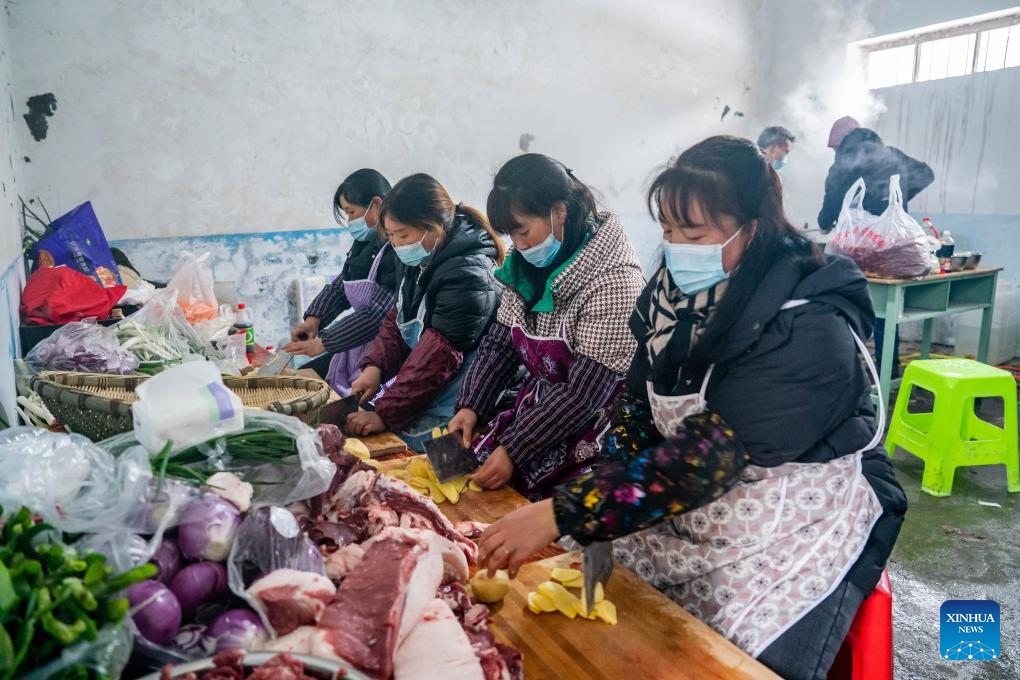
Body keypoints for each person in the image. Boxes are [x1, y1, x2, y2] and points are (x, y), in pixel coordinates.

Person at [476, 136, 907, 680]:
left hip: (794, 516)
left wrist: (566, 510)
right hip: (702, 498)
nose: (677, 246)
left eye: (695, 233)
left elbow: (706, 458)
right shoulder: (671, 298)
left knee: (723, 659)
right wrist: (606, 484)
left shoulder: (808, 323)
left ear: (752, 227)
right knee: (623, 621)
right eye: (669, 231)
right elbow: (637, 406)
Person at [446, 154, 645, 501]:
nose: (518, 245)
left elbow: (582, 396)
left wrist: (515, 448)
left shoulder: (616, 284)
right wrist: (470, 405)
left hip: (591, 430)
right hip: (539, 411)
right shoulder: (526, 268)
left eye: (523, 231)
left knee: (541, 526)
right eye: (510, 235)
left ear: (559, 212)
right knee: (457, 479)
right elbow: (499, 345)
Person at [345, 173, 505, 451]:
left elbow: (438, 355)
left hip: (469, 395)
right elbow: (399, 317)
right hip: (434, 384)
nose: (396, 244)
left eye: (402, 234)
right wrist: (375, 367)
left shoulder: (468, 273)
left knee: (433, 463)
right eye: (391, 236)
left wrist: (385, 414)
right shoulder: (418, 256)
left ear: (434, 228)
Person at [817, 116, 935, 375]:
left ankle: (847, 363)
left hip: (860, 249)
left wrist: (826, 223)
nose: (835, 152)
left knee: (848, 300)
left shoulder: (843, 164)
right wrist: (896, 201)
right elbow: (926, 174)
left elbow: (829, 208)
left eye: (835, 147)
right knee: (886, 308)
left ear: (840, 143)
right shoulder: (891, 154)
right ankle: (888, 368)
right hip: (893, 247)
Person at [284, 169, 398, 396]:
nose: (350, 221)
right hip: (358, 345)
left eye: (351, 212)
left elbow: (376, 315)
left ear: (376, 205)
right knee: (303, 382)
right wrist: (314, 320)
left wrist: (324, 343)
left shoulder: (396, 251)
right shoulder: (363, 244)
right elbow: (340, 287)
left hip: (384, 352)